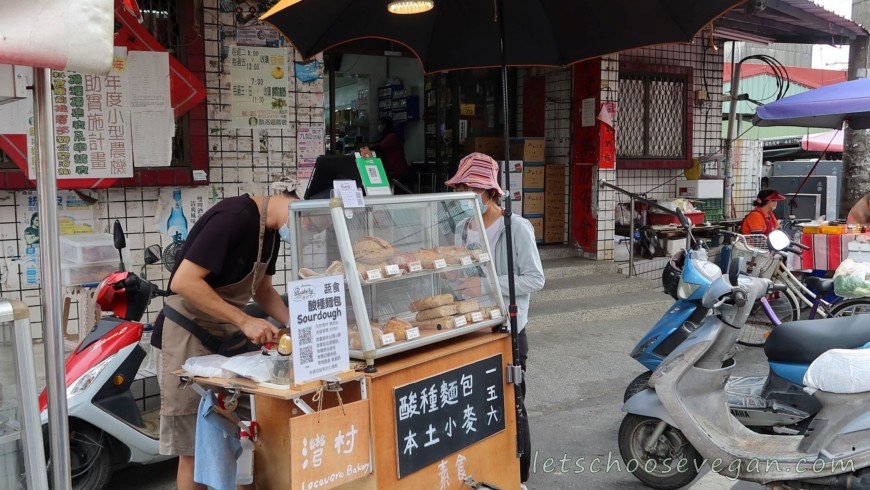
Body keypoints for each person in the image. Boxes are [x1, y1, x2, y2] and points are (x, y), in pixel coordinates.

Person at [154, 178, 301, 490]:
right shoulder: (234, 217)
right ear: (292, 199)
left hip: (225, 337)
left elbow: (263, 290)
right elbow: (184, 282)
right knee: (193, 448)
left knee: (243, 434)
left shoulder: (271, 233)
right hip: (186, 336)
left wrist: (299, 324)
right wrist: (244, 321)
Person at [445, 152, 545, 488]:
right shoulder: (462, 227)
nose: (466, 194)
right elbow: (464, 270)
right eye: (461, 187)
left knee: (513, 405)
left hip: (507, 331)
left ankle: (519, 477)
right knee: (477, 406)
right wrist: (453, 278)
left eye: (471, 187)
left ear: (490, 191)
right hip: (472, 328)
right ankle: (485, 470)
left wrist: (487, 284)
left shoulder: (515, 227)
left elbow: (534, 279)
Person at [371, 116, 409, 184]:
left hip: (397, 172)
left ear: (384, 125)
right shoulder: (388, 136)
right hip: (393, 171)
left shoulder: (391, 136)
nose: (379, 126)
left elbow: (379, 148)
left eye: (380, 124)